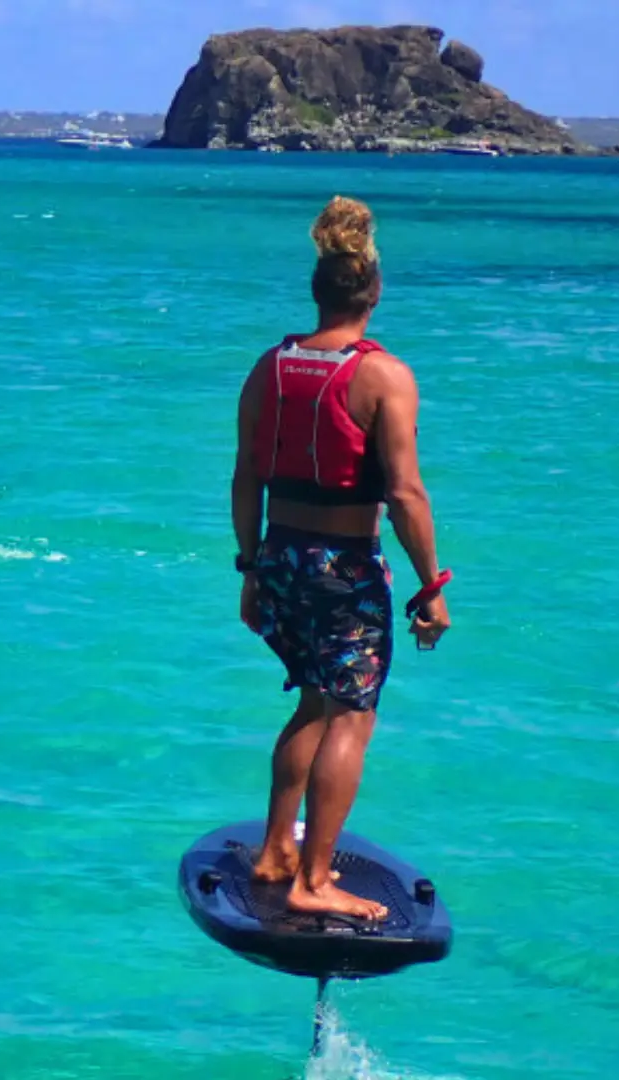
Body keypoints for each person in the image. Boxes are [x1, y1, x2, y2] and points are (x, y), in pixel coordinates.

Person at [230, 195, 449, 921]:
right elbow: (408, 494)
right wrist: (431, 587)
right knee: (353, 715)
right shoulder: (384, 377)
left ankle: (273, 851)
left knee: (315, 704)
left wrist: (250, 568)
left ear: (317, 290)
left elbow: (246, 476)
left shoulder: (272, 366)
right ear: (375, 292)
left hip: (282, 557)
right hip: (345, 566)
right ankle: (314, 880)